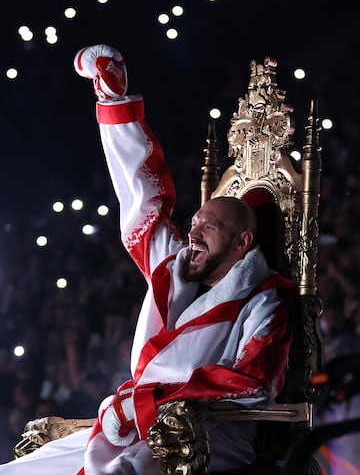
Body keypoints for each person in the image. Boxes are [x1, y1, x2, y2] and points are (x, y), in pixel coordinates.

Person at [0, 45, 295, 475]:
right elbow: (144, 206)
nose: (192, 232)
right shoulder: (174, 268)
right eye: (194, 222)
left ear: (241, 242)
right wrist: (115, 104)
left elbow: (255, 381)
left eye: (208, 227)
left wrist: (148, 401)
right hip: (136, 421)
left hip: (213, 433)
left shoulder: (266, 299)